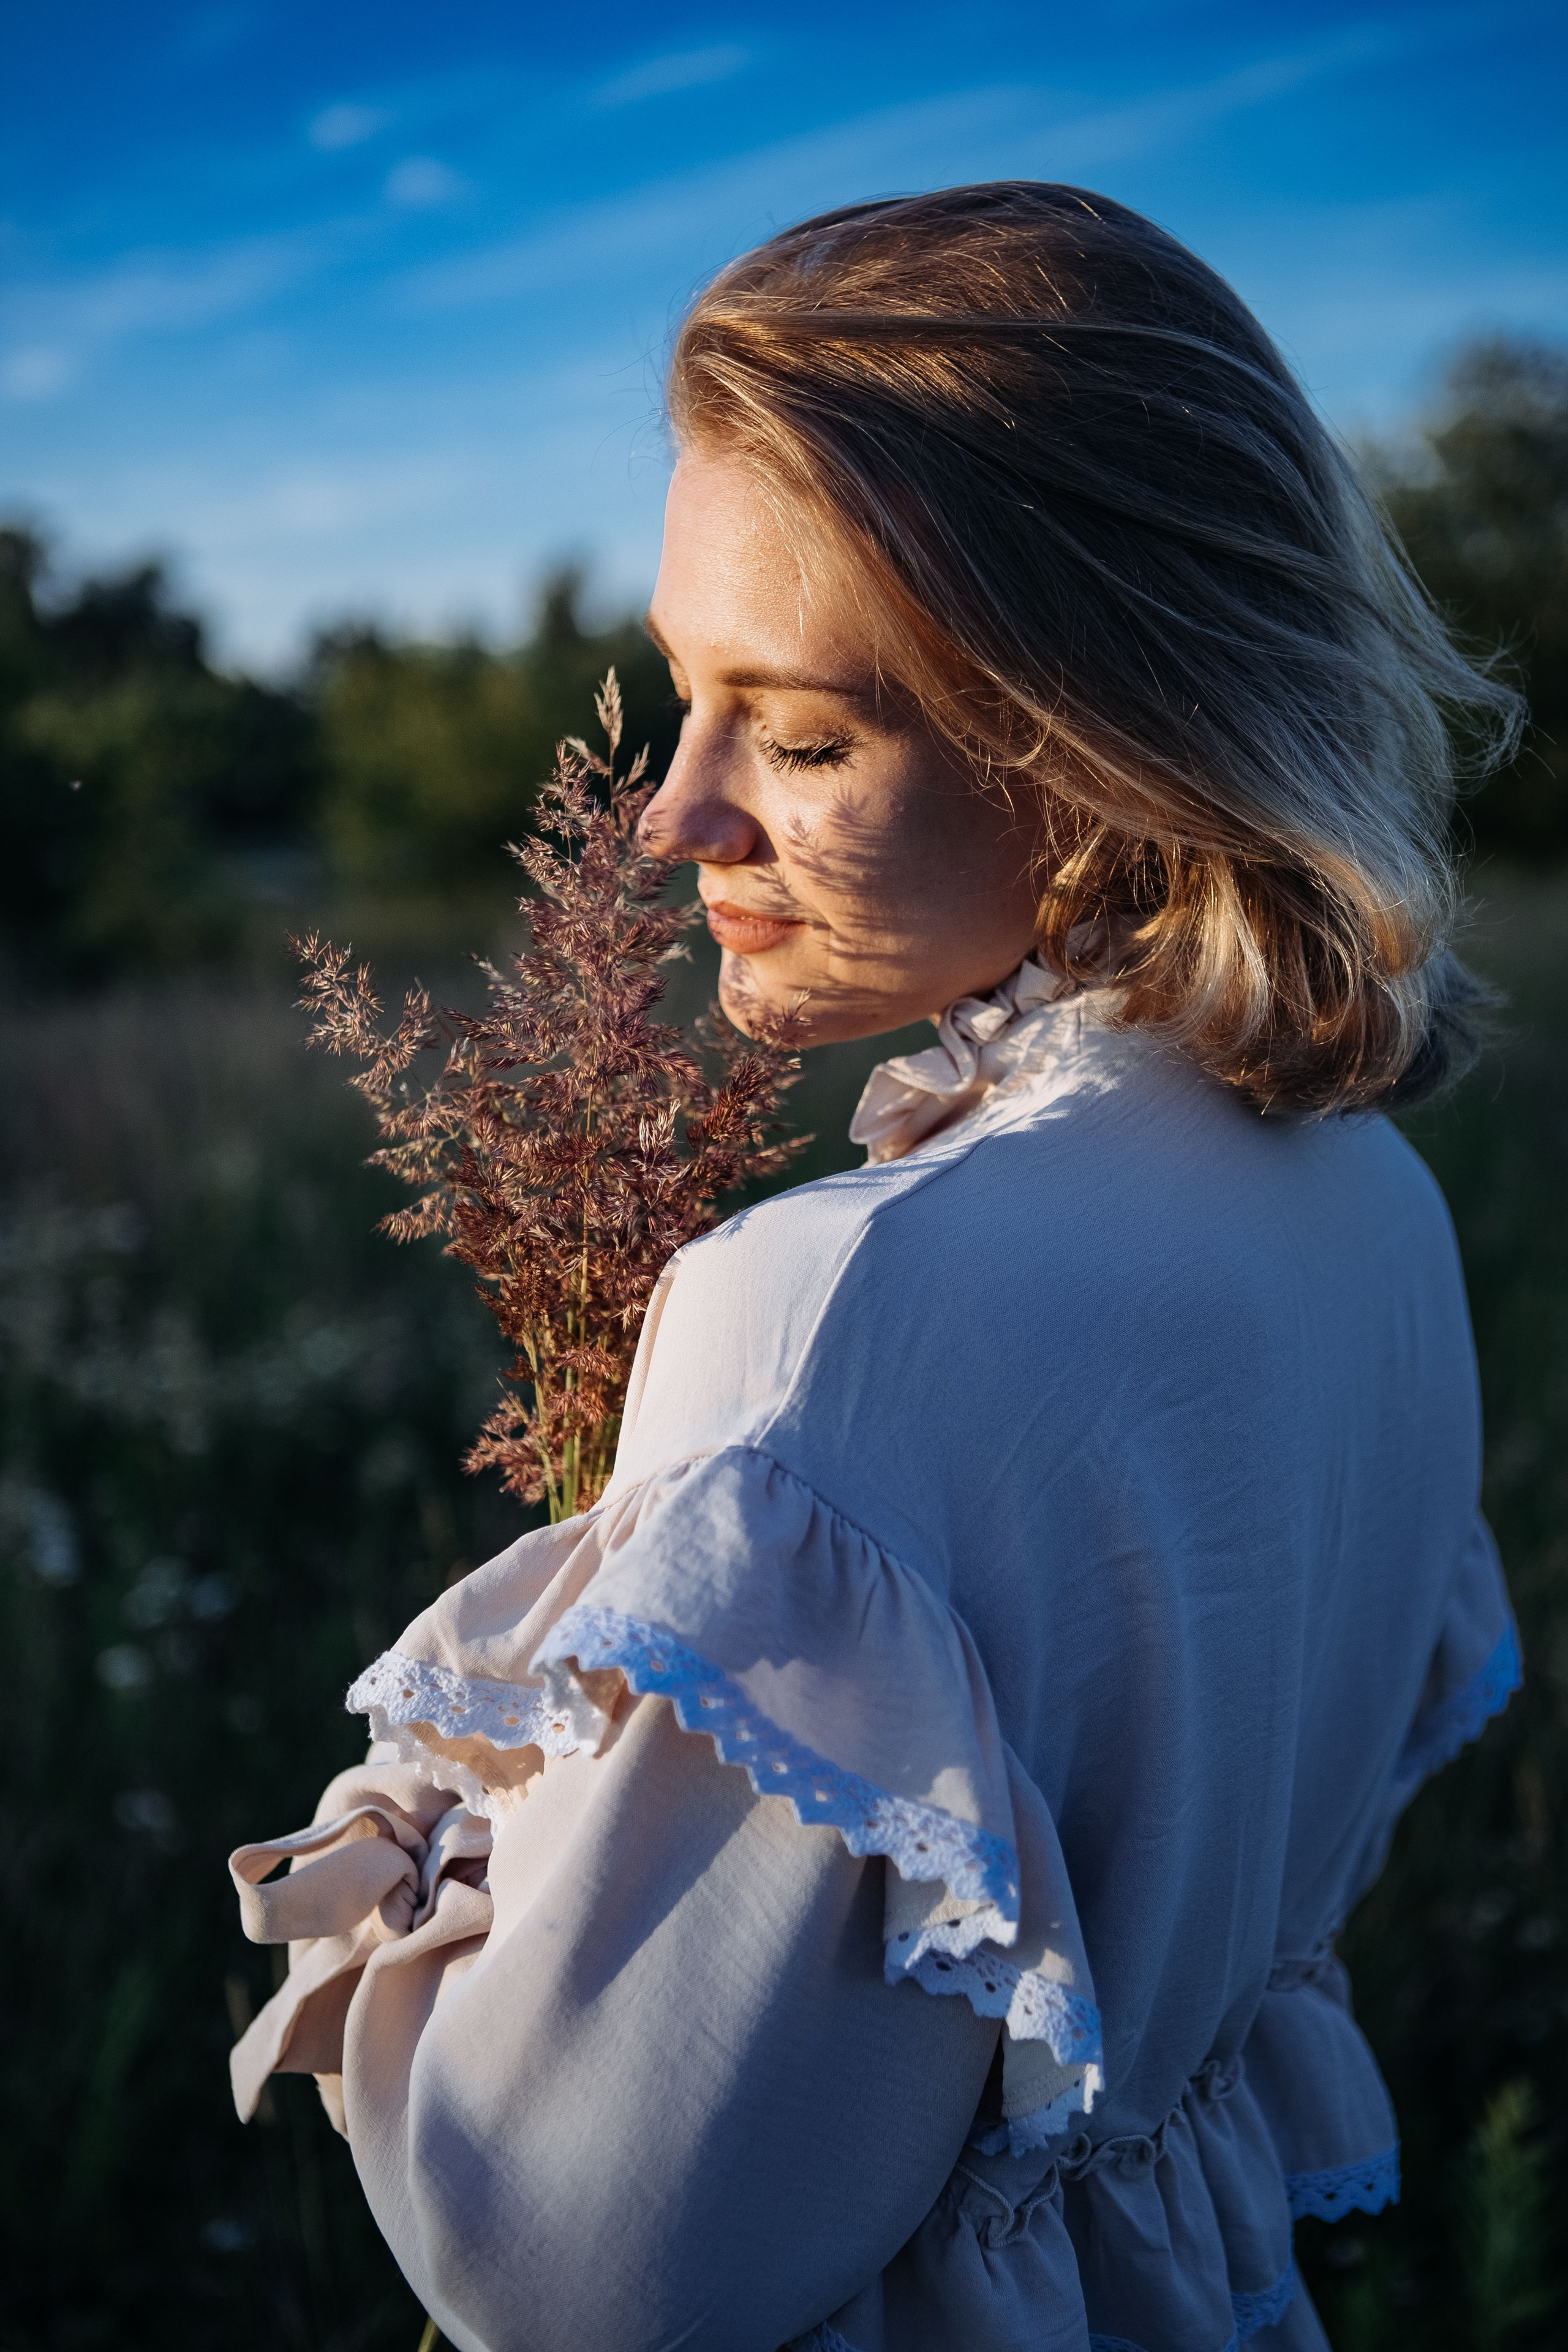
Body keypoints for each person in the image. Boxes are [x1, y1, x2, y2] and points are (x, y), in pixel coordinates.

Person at [227, 184, 1523, 2352]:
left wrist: (439, 1844)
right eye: (686, 699)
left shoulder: (833, 1309)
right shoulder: (1374, 1199)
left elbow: (570, 2266)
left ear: (1117, 742)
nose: (677, 817)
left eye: (808, 736)